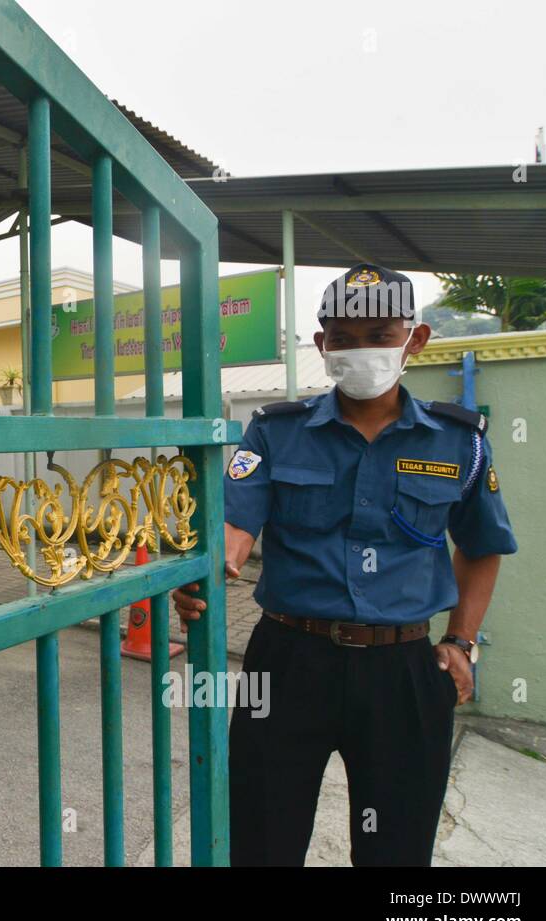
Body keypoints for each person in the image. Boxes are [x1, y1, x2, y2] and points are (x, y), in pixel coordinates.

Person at [174, 263, 517, 866]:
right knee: (262, 843)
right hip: (285, 663)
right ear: (322, 344)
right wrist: (202, 570)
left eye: (381, 335)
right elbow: (233, 527)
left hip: (404, 672)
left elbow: (483, 545)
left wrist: (461, 641)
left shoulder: (457, 441)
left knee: (397, 852)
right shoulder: (275, 433)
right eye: (345, 338)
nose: (361, 351)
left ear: (416, 339)